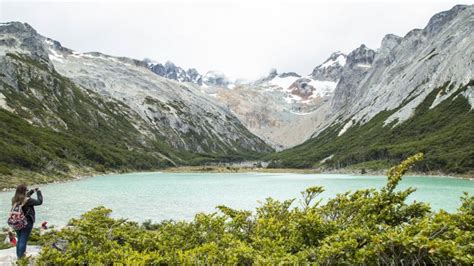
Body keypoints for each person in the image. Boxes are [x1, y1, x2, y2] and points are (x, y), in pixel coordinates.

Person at [11, 184, 43, 258]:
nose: (27, 191)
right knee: (23, 240)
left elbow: (26, 196)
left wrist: (32, 191)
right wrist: (39, 192)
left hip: (16, 222)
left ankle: (19, 256)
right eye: (27, 190)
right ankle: (22, 258)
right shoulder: (27, 200)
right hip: (26, 222)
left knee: (19, 239)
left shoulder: (14, 199)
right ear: (24, 191)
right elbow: (39, 202)